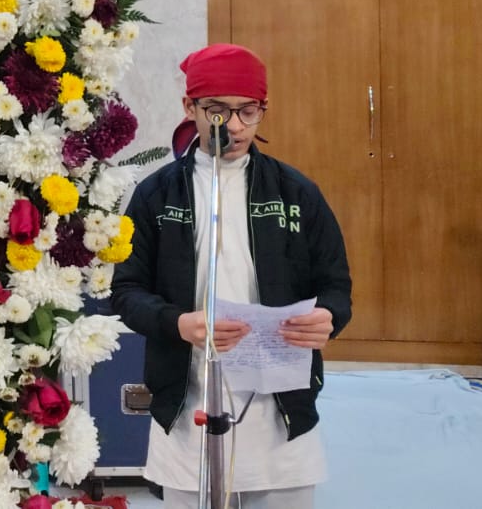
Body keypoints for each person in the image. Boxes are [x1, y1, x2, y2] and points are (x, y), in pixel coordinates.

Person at [112, 43, 352, 509]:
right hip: (188, 401)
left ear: (263, 109)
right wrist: (177, 323)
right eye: (218, 110)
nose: (235, 126)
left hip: (281, 409)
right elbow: (126, 291)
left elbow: (336, 285)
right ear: (190, 107)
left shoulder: (297, 193)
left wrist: (329, 317)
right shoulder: (156, 195)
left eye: (248, 111)